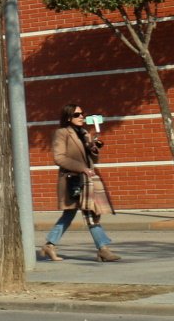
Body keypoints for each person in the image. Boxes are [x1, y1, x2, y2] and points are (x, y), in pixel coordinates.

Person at [41, 104, 119, 262]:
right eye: (77, 115)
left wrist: (94, 149)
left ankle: (49, 245)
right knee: (86, 213)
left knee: (80, 213)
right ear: (68, 117)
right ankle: (103, 249)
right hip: (73, 180)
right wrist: (81, 168)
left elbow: (92, 160)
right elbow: (59, 157)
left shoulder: (85, 133)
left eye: (82, 114)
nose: (82, 117)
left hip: (87, 180)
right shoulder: (62, 133)